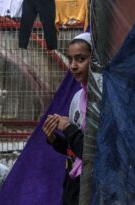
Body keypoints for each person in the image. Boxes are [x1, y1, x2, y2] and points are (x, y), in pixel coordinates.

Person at [42, 32, 92, 205]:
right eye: (70, 60)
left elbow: (93, 154)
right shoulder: (78, 98)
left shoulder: (104, 102)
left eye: (80, 59)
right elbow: (74, 151)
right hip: (73, 183)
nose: (73, 66)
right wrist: (54, 138)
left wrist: (69, 128)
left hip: (92, 186)